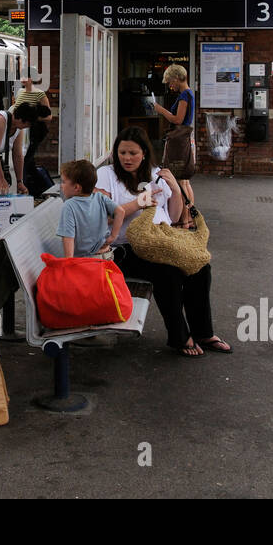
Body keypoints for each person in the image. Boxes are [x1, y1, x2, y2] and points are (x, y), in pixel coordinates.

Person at [96, 127, 231, 357]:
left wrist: (176, 191)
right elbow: (103, 216)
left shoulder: (156, 173)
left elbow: (175, 217)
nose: (127, 158)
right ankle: (180, 336)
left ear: (145, 154)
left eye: (133, 153)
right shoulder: (106, 176)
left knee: (199, 266)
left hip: (162, 241)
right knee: (167, 273)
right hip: (124, 249)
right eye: (122, 153)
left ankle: (203, 332)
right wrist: (139, 203)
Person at [152, 64, 197, 226]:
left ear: (177, 78)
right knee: (185, 180)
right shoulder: (189, 93)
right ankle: (190, 217)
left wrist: (160, 109)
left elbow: (177, 119)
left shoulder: (184, 95)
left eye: (170, 81)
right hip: (184, 138)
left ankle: (185, 220)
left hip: (178, 141)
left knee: (180, 181)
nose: (170, 85)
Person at [57, 159, 124, 258]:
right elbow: (120, 211)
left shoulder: (69, 206)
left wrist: (69, 263)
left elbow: (68, 237)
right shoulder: (100, 197)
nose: (61, 186)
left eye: (63, 182)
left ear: (76, 187)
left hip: (86, 262)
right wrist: (113, 237)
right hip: (106, 255)